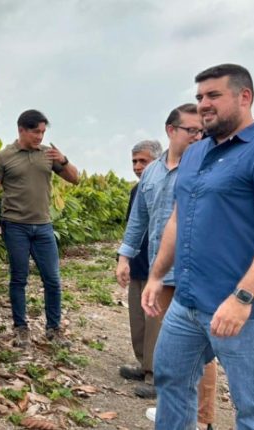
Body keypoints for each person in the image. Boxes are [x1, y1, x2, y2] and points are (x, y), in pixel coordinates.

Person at [142, 64, 254, 429]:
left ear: (244, 97)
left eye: (214, 95)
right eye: (200, 96)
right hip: (187, 303)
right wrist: (157, 275)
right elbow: (177, 217)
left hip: (244, 311)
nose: (203, 103)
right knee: (171, 381)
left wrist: (242, 298)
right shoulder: (195, 153)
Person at [117, 104, 218, 429]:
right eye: (191, 130)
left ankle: (203, 419)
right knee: (173, 347)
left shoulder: (207, 166)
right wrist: (125, 257)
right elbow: (139, 220)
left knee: (202, 348)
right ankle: (175, 410)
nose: (198, 136)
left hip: (197, 272)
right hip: (161, 273)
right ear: (171, 130)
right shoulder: (153, 173)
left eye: (201, 131)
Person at [0, 109, 79, 347]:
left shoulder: (49, 154)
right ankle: (21, 328)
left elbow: (75, 179)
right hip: (15, 226)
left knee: (53, 280)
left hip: (43, 226)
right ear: (21, 130)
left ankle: (54, 329)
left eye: (43, 132)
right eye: (36, 131)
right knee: (19, 278)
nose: (40, 136)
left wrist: (63, 159)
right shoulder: (3, 157)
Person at [116, 139, 162, 381]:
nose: (137, 166)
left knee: (155, 320)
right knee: (138, 318)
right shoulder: (136, 191)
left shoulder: (167, 186)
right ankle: (143, 363)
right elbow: (132, 229)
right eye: (134, 161)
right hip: (137, 262)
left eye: (143, 161)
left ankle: (156, 372)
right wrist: (122, 259)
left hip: (158, 264)